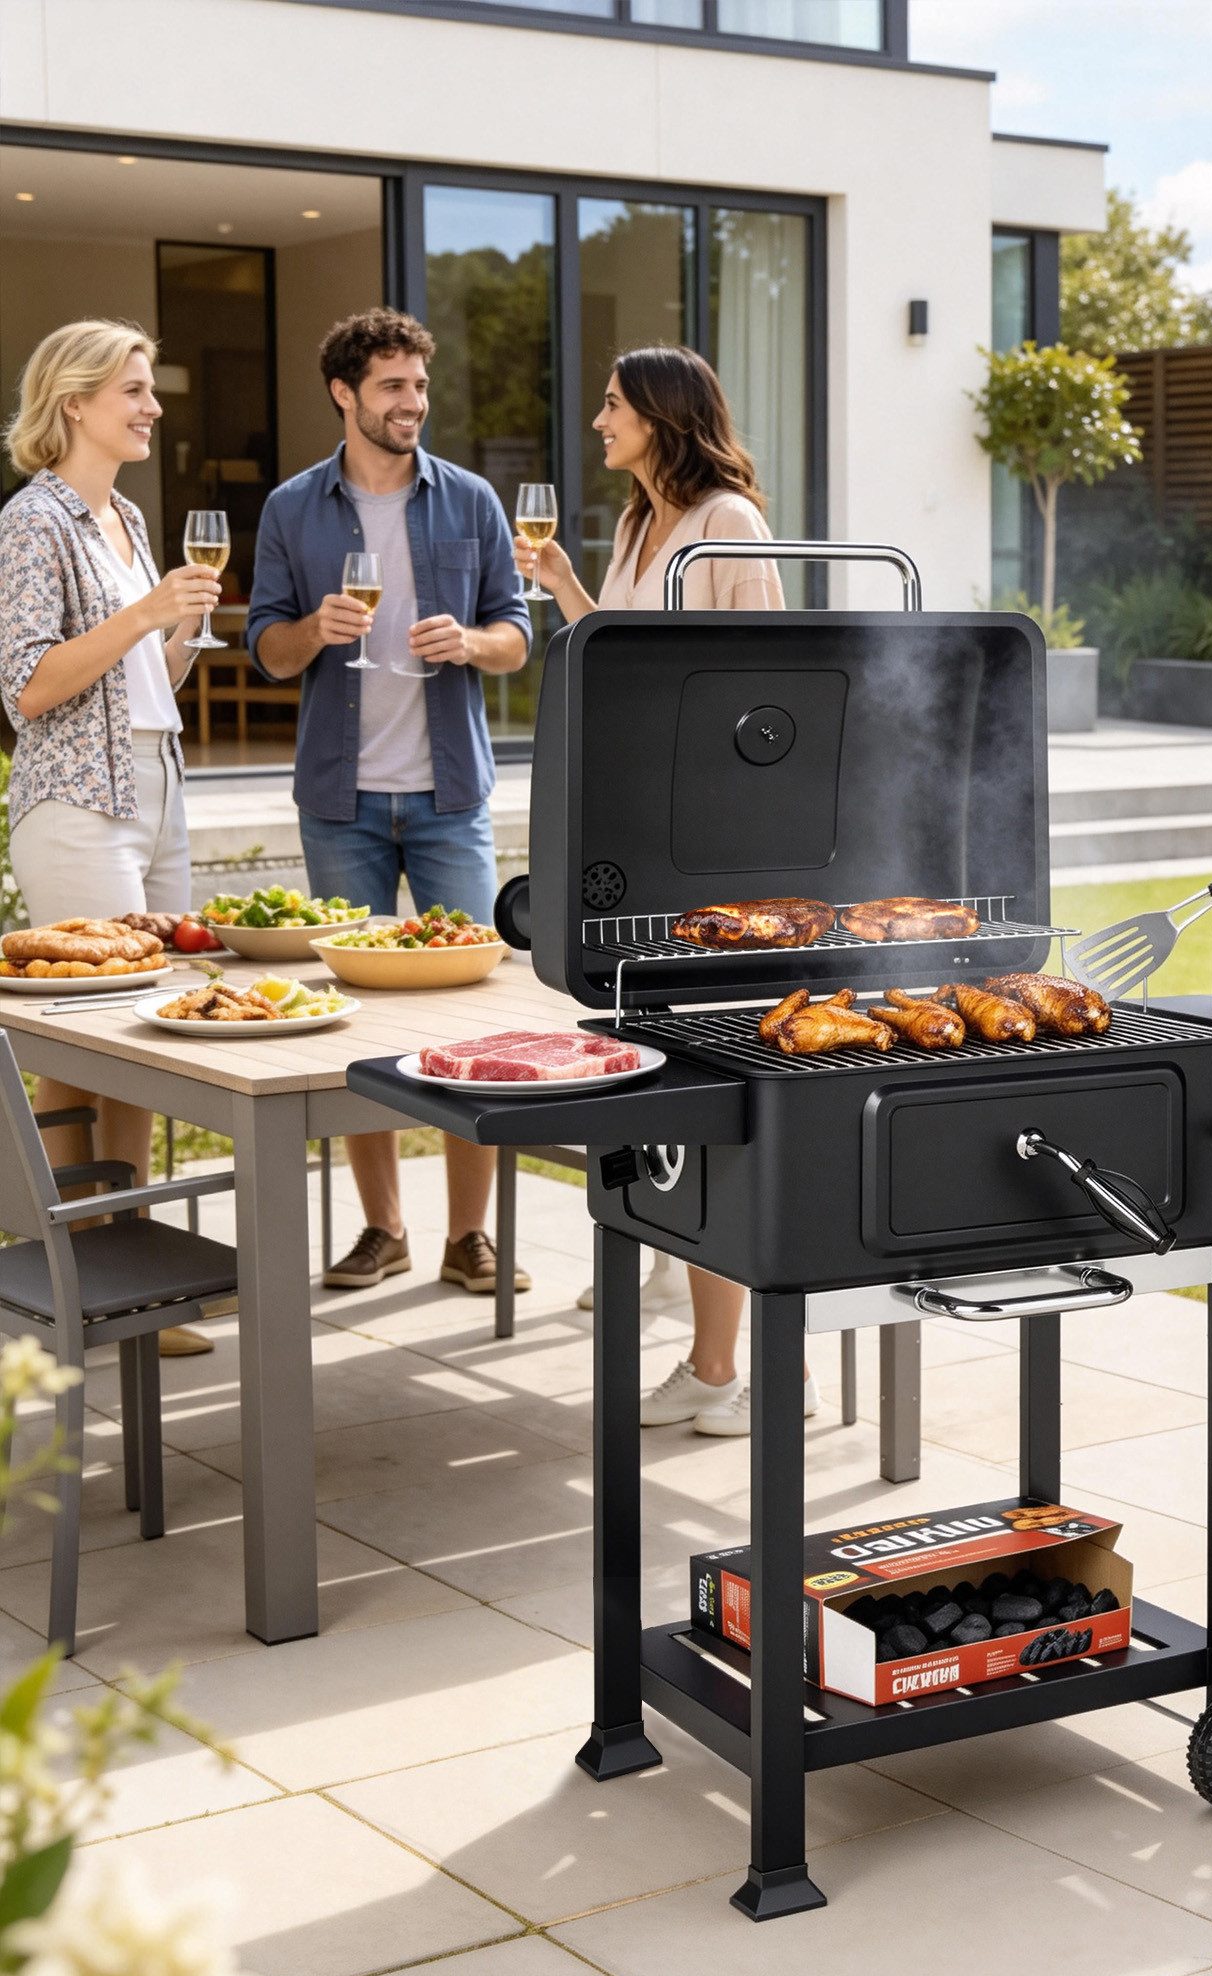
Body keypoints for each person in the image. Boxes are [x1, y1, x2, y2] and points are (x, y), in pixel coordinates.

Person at [520, 345, 804, 1437]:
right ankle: (694, 1303)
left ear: (660, 415)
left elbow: (763, 683)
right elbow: (630, 659)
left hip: (710, 845)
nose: (596, 420)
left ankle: (723, 1365)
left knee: (706, 1092)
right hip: (641, 833)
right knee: (646, 1068)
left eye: (610, 404)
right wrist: (567, 593)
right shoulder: (642, 523)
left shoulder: (726, 521)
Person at [248, 309, 531, 1296]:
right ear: (345, 394)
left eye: (418, 386)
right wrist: (313, 631)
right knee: (357, 1024)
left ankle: (468, 1235)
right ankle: (382, 1228)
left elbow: (517, 634)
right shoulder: (293, 508)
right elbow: (265, 649)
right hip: (341, 801)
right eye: (391, 387)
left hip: (450, 796)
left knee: (470, 1019)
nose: (411, 402)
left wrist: (474, 644)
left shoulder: (471, 501)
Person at [0, 319, 225, 1358]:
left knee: (144, 1036)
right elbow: (31, 686)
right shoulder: (32, 522)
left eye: (150, 389)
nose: (152, 405)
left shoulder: (127, 513)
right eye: (132, 389)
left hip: (155, 785)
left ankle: (129, 1273)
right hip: (79, 801)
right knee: (83, 1040)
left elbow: (139, 686)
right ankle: (60, 1270)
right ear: (74, 401)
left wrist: (174, 637)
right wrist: (144, 615)